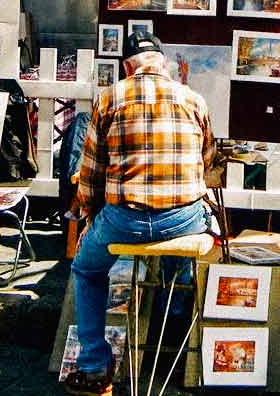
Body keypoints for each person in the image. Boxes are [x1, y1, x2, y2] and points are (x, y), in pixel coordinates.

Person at [65, 32, 216, 396]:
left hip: (125, 219)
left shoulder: (109, 98)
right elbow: (207, 161)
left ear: (127, 66)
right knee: (179, 262)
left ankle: (94, 368)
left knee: (86, 270)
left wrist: (89, 216)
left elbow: (90, 175)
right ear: (163, 64)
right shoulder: (193, 99)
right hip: (182, 218)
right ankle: (174, 340)